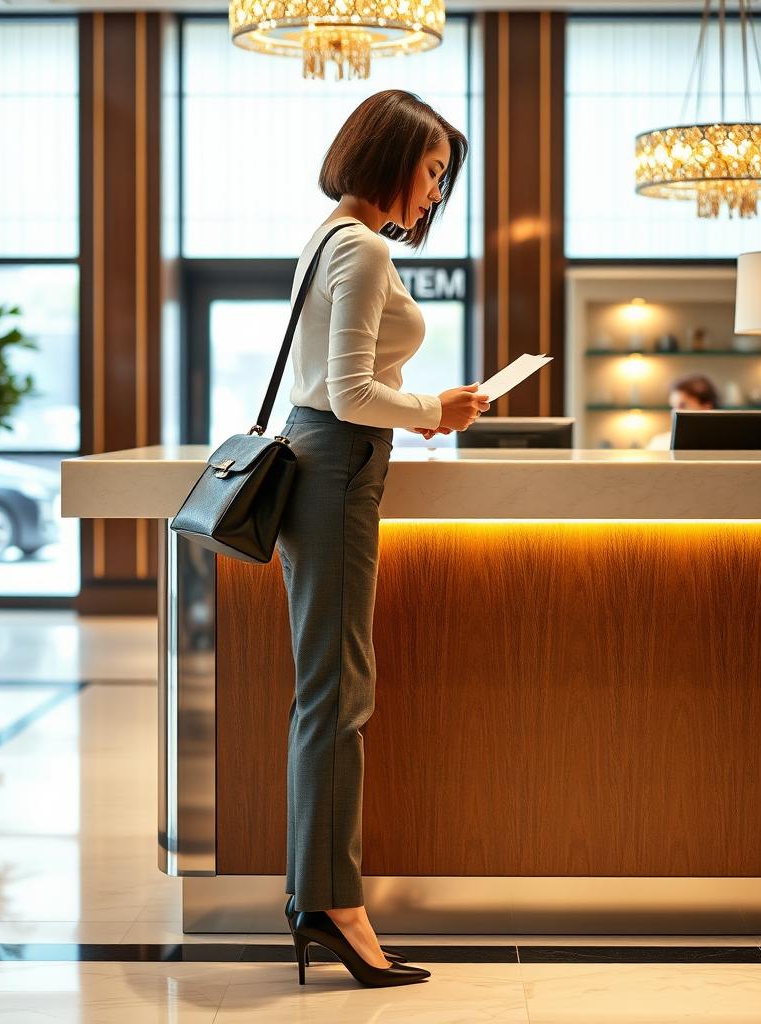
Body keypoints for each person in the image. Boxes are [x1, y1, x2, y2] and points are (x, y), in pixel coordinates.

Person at [276, 89, 488, 988]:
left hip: (329, 460)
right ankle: (331, 902)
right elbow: (350, 392)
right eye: (433, 171)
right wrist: (435, 409)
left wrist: (420, 410)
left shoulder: (332, 236)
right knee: (338, 692)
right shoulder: (359, 246)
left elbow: (338, 378)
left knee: (333, 685)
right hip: (338, 465)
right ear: (390, 157)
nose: (437, 192)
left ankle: (322, 896)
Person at [646, 372, 719, 450]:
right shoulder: (659, 444)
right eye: (673, 407)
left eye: (682, 405)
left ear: (706, 406)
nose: (674, 412)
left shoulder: (722, 443)